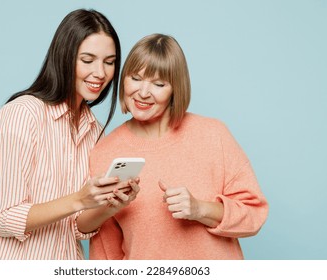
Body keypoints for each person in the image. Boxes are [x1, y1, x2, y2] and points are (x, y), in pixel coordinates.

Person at [0, 9, 139, 260]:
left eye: (109, 61)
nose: (101, 73)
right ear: (64, 57)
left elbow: (76, 227)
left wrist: (108, 206)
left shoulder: (94, 130)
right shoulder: (22, 115)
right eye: (87, 59)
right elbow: (4, 218)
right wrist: (79, 199)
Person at [87, 34, 269, 259]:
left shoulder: (213, 135)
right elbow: (105, 251)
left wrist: (199, 209)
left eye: (159, 84)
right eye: (135, 78)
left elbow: (254, 214)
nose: (143, 93)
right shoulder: (104, 153)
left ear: (175, 88)